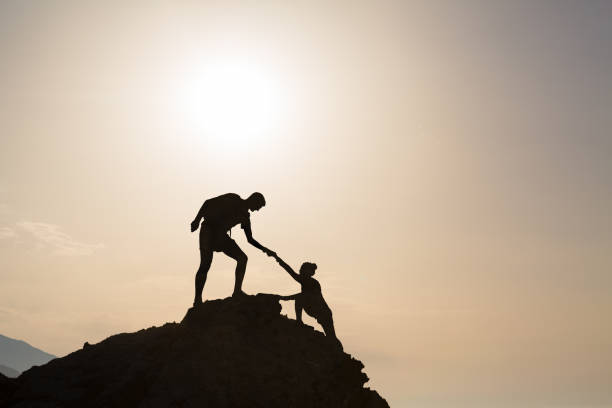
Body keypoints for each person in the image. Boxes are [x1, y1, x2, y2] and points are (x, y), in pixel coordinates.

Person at [190, 192, 275, 305]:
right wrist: (197, 220)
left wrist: (265, 249)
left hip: (221, 236)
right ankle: (197, 299)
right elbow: (208, 203)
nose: (258, 210)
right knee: (205, 264)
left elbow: (250, 239)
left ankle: (237, 291)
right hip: (208, 230)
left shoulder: (245, 217)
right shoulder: (233, 198)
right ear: (254, 200)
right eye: (259, 206)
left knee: (242, 258)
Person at [273, 254, 342, 348]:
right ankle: (299, 321)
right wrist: (277, 259)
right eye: (301, 269)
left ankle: (337, 350)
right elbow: (291, 272)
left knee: (331, 337)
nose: (301, 270)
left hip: (323, 312)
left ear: (309, 272)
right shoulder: (306, 280)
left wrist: (284, 298)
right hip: (314, 308)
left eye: (303, 269)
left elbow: (303, 295)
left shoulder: (312, 283)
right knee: (331, 337)